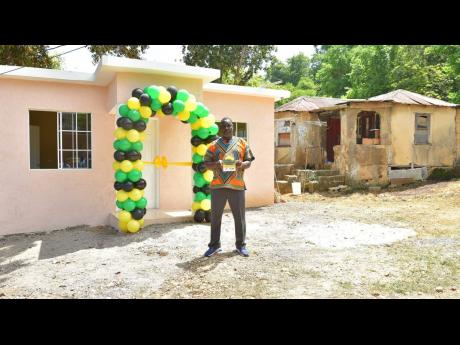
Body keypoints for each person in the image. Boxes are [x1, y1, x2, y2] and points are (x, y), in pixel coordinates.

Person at [202, 117, 255, 257]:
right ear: (220, 128)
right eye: (224, 126)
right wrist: (217, 164)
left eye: (229, 126)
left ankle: (241, 246)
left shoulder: (242, 143)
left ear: (233, 127)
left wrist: (243, 165)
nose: (226, 128)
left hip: (237, 186)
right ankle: (214, 245)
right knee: (215, 218)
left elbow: (249, 161)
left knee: (240, 218)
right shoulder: (213, 145)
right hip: (218, 186)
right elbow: (206, 164)